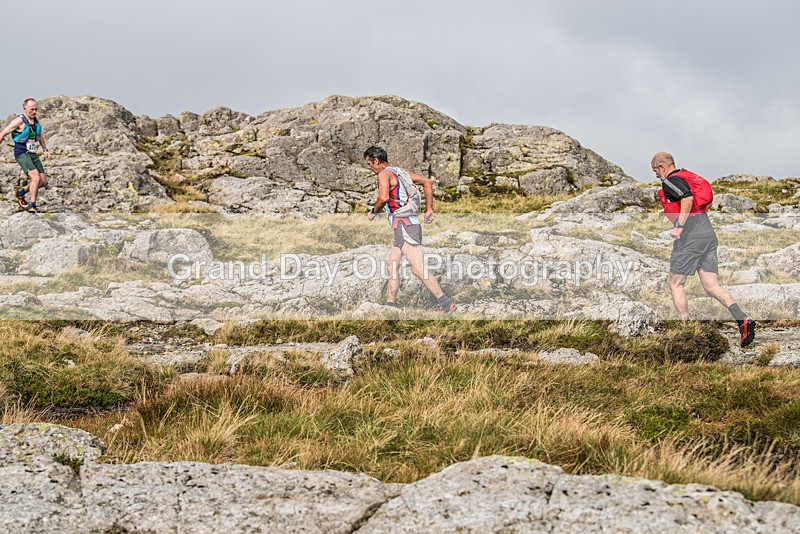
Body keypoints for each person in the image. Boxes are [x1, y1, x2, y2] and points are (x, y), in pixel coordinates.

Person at [652, 152, 755, 347]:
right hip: (707, 231)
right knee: (711, 286)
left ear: (662, 167)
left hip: (691, 235)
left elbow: (687, 199)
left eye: (656, 171)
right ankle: (743, 319)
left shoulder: (671, 181)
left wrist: (679, 226)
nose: (656, 175)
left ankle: (685, 327)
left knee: (676, 283)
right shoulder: (688, 176)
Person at [364, 146, 455, 313]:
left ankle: (446, 304)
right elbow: (427, 182)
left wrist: (373, 211)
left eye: (369, 164)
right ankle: (391, 304)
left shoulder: (384, 174)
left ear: (376, 161)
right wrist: (429, 209)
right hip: (402, 225)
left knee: (417, 268)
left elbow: (383, 198)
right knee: (392, 265)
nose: (369, 168)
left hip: (405, 225)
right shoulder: (399, 171)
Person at [0, 98, 51, 212]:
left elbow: (40, 136)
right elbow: (3, 132)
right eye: (32, 109)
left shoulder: (35, 121)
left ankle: (20, 193)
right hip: (21, 153)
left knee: (42, 181)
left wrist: (45, 149)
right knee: (35, 177)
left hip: (32, 153)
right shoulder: (19, 121)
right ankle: (32, 206)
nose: (34, 112)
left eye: (35, 109)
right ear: (25, 109)